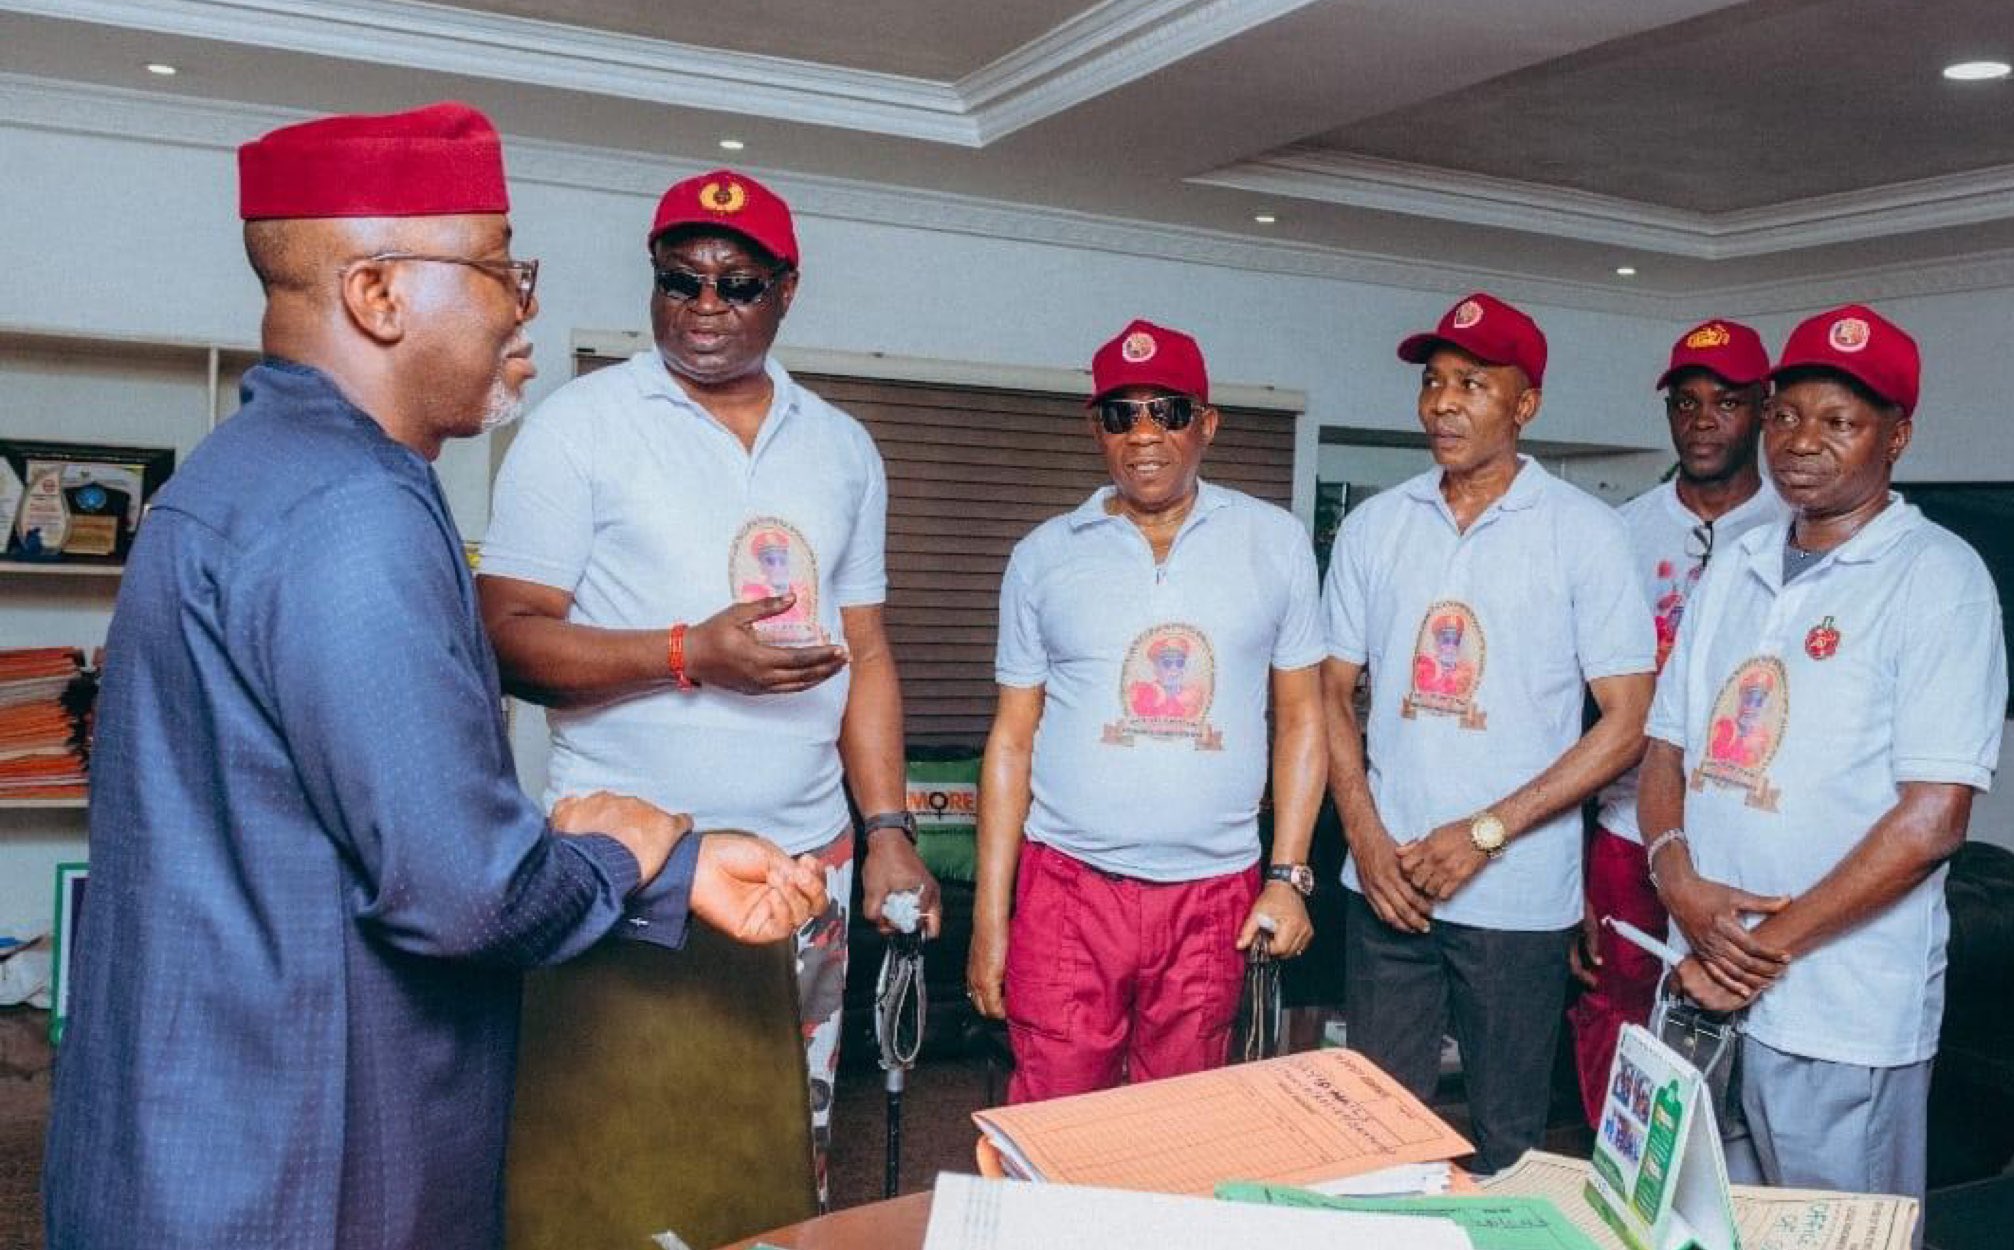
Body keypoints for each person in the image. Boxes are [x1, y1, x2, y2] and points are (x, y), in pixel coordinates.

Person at [40, 104, 826, 1250]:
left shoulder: (252, 473)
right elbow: (461, 891)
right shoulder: (350, 514)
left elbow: (342, 834)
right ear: (377, 292)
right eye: (500, 269)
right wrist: (623, 851)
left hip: (209, 1157)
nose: (520, 309)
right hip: (306, 1207)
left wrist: (661, 867)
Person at [477, 169, 937, 1197]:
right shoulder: (579, 424)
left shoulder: (841, 448)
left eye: (736, 285)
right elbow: (506, 638)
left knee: (785, 1147)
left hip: (803, 869)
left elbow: (865, 649)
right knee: (618, 1164)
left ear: (786, 289)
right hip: (631, 870)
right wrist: (689, 653)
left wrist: (889, 828)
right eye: (678, 281)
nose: (703, 308)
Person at [1638, 304, 2005, 1211]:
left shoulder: (1938, 578)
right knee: (1697, 1245)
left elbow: (1932, 822)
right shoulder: (1739, 561)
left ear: (1897, 437)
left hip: (1839, 1011)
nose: (1803, 442)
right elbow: (1666, 749)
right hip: (1697, 985)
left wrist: (1753, 954)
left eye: (1839, 422)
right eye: (1787, 416)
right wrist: (1674, 876)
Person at [1320, 292, 1655, 1172]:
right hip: (1387, 885)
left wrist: (1484, 833)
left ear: (1526, 405)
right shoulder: (1375, 527)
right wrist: (1363, 834)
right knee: (1375, 1138)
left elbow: (1627, 725)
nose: (1442, 403)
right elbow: (1330, 693)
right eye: (1433, 382)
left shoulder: (1586, 535)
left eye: (1472, 382)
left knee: (1508, 1142)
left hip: (1517, 896)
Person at [967, 320, 1327, 1102]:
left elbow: (1303, 717)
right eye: (1119, 414)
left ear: (1207, 423)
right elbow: (1012, 741)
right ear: (1094, 429)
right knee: (1056, 1124)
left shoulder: (1275, 542)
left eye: (1166, 410)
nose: (1143, 435)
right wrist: (991, 918)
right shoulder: (1044, 556)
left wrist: (1289, 875)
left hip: (1213, 894)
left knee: (1178, 1128)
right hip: (1067, 887)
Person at [1564, 319, 1787, 1124]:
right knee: (1614, 1018)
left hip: (1738, 837)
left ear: (1763, 410)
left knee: (1739, 1039)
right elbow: (1577, 703)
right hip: (1626, 828)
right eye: (1685, 403)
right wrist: (1573, 865)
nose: (1701, 420)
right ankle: (1610, 1188)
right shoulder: (1618, 534)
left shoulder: (1795, 530)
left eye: (1725, 402)